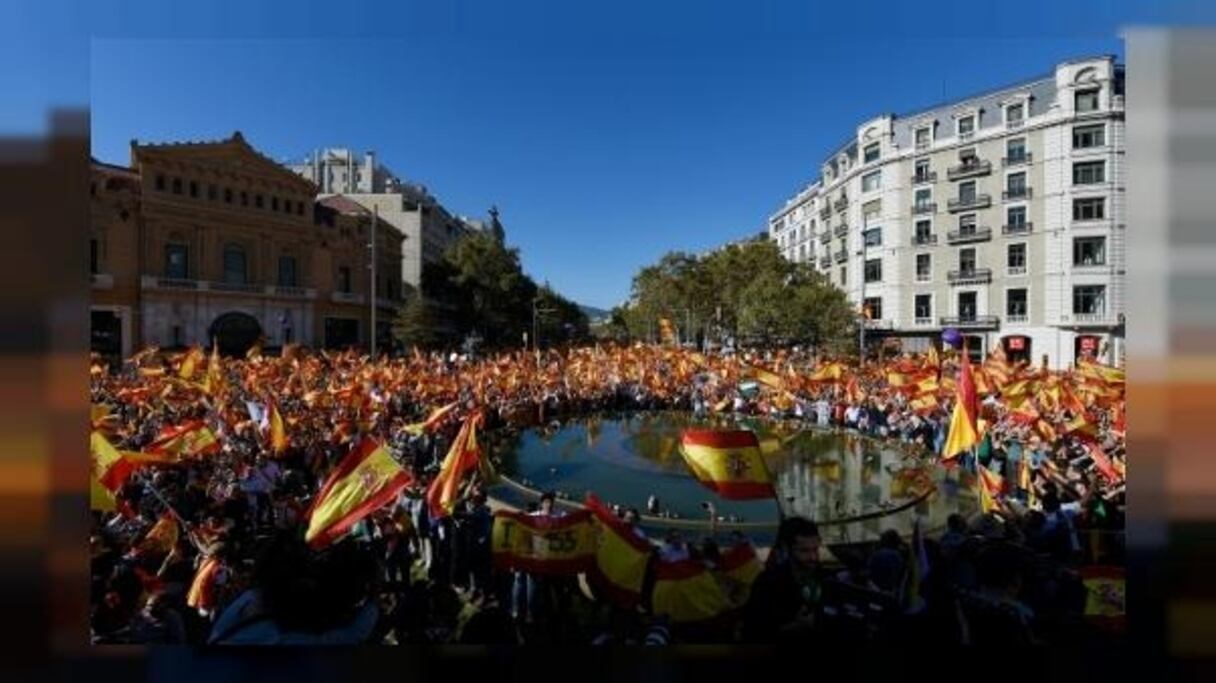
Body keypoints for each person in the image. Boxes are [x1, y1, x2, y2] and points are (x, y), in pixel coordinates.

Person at [742, 516, 823, 642]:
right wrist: (796, 627)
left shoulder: (823, 577)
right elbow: (752, 634)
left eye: (815, 550)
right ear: (786, 549)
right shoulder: (767, 583)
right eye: (804, 551)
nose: (813, 557)